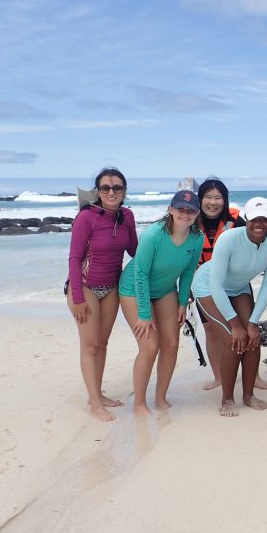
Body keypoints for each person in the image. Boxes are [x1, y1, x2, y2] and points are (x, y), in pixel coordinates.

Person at [192, 197, 267, 416]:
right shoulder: (229, 239)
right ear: (245, 219)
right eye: (253, 219)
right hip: (209, 287)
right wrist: (235, 324)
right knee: (233, 339)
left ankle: (249, 395)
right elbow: (216, 285)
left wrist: (252, 323)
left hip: (239, 287)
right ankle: (227, 399)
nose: (258, 224)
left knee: (253, 337)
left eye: (264, 219)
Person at [119, 190, 204, 415]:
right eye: (180, 209)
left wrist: (183, 302)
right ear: (171, 209)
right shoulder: (154, 234)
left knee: (172, 344)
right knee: (149, 346)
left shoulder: (197, 237)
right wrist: (145, 314)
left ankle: (160, 397)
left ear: (197, 213)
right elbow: (140, 274)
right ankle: (139, 403)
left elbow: (187, 272)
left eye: (191, 210)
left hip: (166, 291)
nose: (185, 214)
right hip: (134, 290)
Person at [67, 168, 138, 421]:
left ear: (124, 191)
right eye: (105, 188)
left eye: (117, 188)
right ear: (98, 191)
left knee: (103, 343)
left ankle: (96, 394)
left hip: (111, 288)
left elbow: (134, 251)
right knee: (91, 344)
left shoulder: (127, 216)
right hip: (85, 287)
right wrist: (76, 298)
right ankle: (95, 403)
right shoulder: (86, 217)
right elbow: (74, 259)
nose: (111, 192)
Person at [192, 177, 245, 390]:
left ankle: (253, 375)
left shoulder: (237, 221)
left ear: (225, 200)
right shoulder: (189, 220)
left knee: (244, 328)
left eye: (218, 197)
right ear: (200, 199)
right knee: (211, 331)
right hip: (203, 286)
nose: (212, 202)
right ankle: (219, 377)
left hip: (234, 284)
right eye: (207, 197)